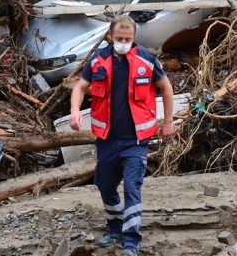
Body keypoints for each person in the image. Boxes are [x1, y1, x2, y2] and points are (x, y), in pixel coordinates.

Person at [69, 15, 175, 256]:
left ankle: (131, 242)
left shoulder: (147, 60)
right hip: (107, 138)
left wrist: (168, 121)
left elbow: (166, 88)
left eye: (128, 39)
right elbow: (79, 86)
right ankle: (115, 227)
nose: (124, 42)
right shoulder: (98, 59)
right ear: (110, 37)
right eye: (119, 38)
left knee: (132, 187)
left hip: (136, 140)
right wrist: (75, 111)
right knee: (105, 185)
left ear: (134, 37)